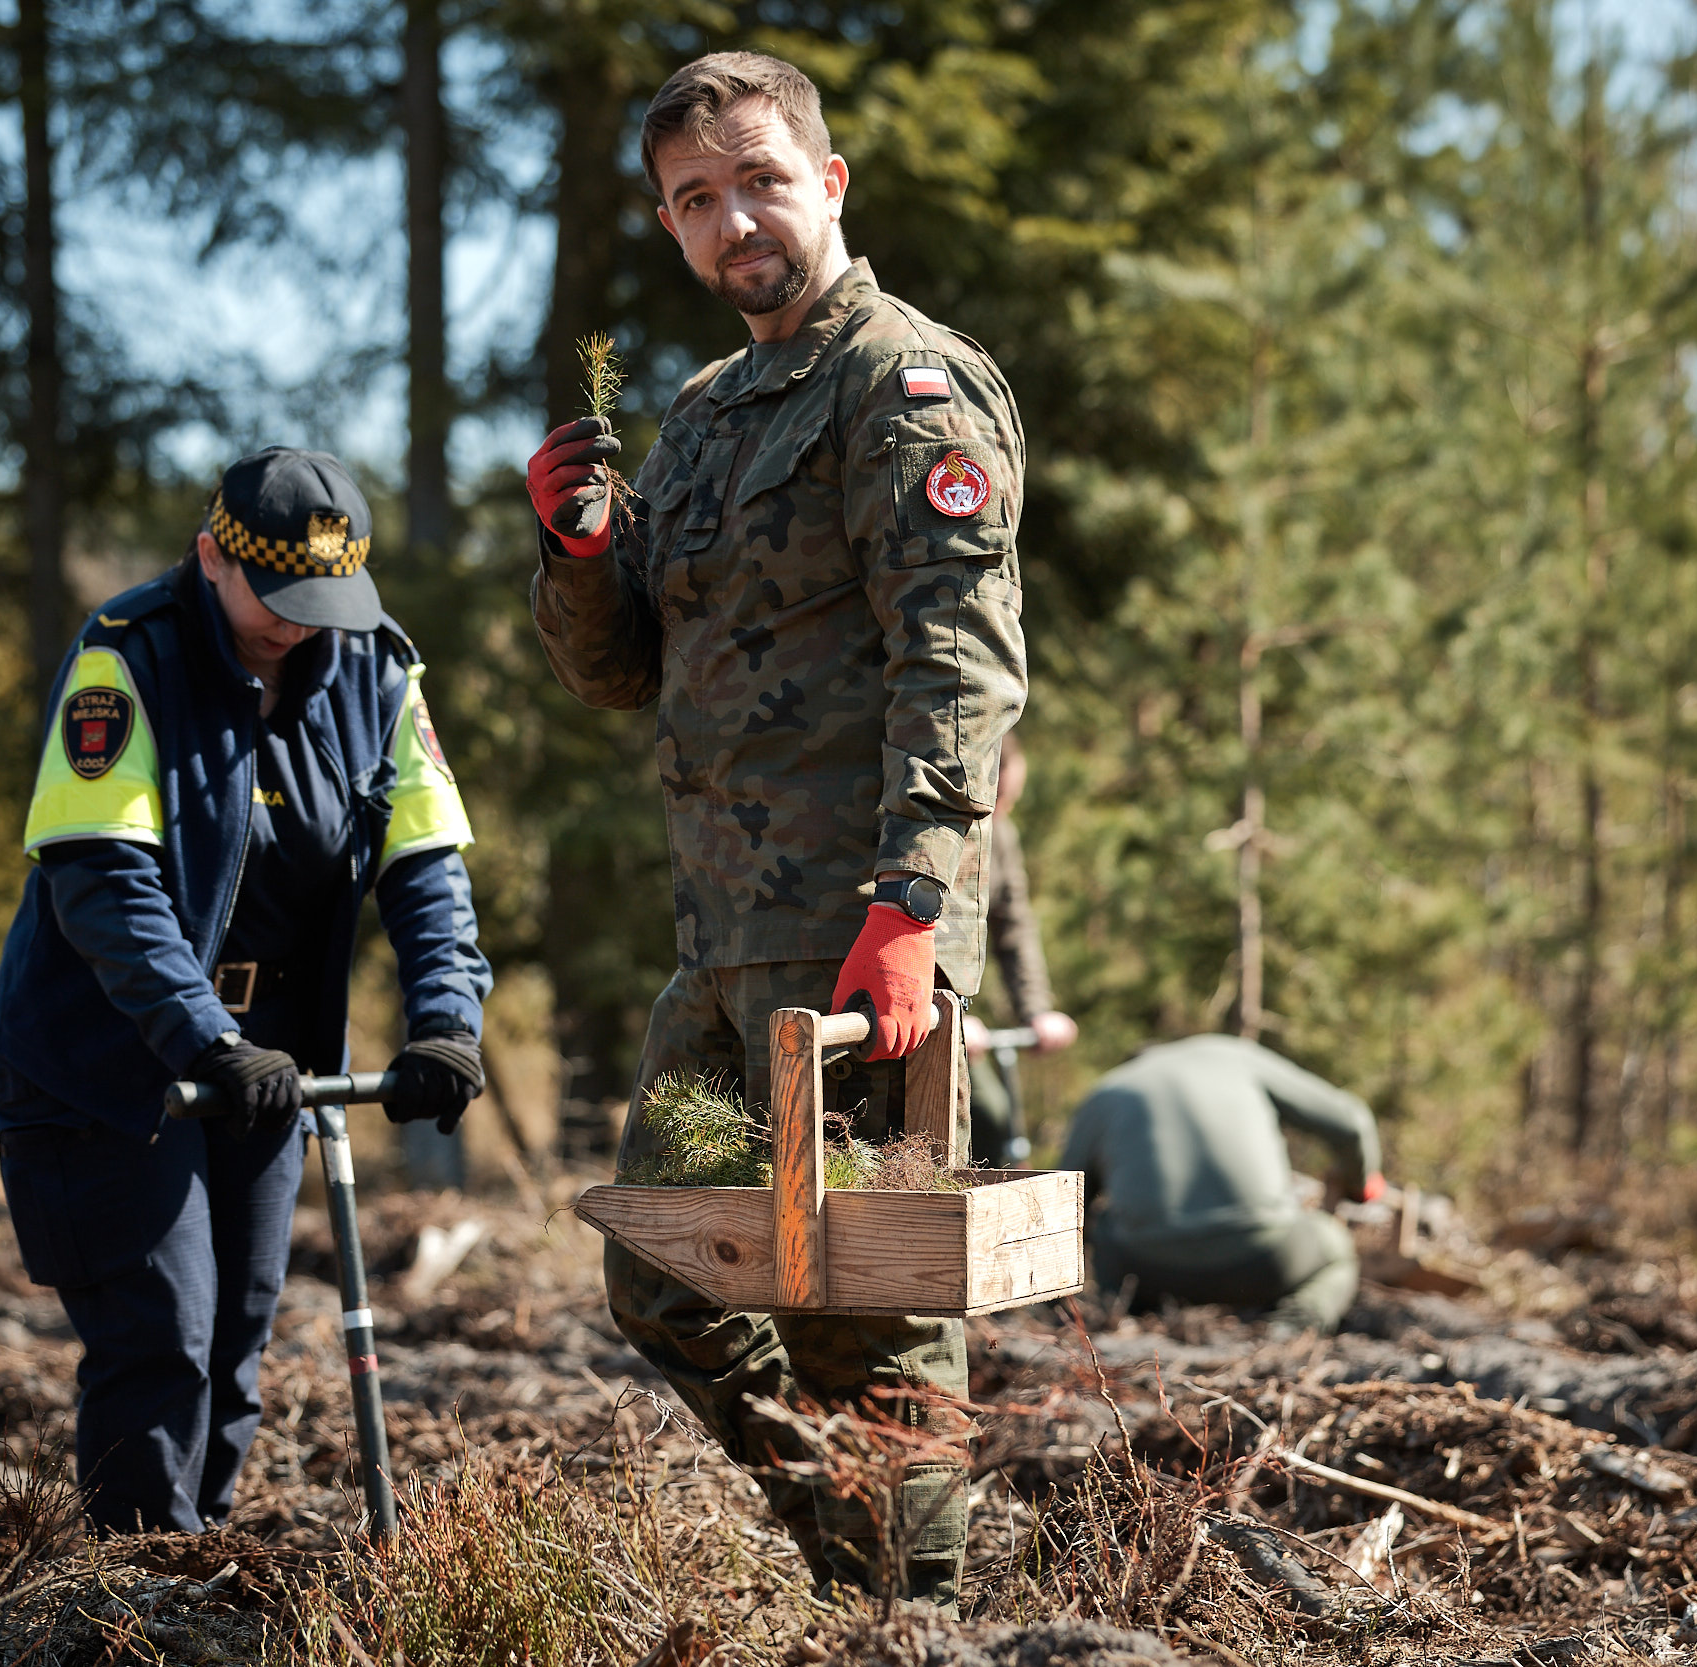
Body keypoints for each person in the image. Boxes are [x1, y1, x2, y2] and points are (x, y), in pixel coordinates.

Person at [525, 52, 1027, 1610]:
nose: (734, 219)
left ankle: (908, 1618)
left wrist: (911, 903)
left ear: (829, 181)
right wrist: (579, 553)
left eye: (759, 179)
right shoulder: (702, 415)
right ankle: (851, 1551)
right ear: (671, 227)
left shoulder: (906, 383)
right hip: (723, 941)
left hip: (858, 936)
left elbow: (962, 658)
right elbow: (623, 673)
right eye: (696, 199)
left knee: (872, 1306)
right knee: (664, 1271)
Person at [0, 448, 493, 1534]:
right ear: (212, 555)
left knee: (234, 1336)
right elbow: (104, 882)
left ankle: (189, 1560)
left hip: (267, 1065)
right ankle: (129, 1585)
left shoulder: (376, 671)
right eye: (278, 598)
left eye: (324, 603)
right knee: (162, 1331)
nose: (301, 626)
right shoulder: (127, 657)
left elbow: (424, 864)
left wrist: (446, 1018)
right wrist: (206, 1037)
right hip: (111, 1061)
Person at [1061, 1036, 1384, 1335]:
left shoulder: (1106, 1091)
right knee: (1336, 1249)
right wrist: (1360, 1182)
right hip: (1264, 1259)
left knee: (1106, 1227)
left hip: (1146, 1275)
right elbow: (1353, 1124)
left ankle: (1125, 1321)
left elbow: (1061, 1202)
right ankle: (1292, 1326)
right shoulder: (1233, 1055)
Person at [964, 735, 1076, 1165]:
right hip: (914, 1006)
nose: (1002, 813)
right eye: (998, 801)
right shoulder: (927, 830)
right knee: (985, 1115)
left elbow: (1014, 926)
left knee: (999, 1125)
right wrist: (950, 1016)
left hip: (959, 1016)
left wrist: (1036, 1010)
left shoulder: (1001, 835)